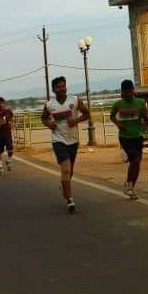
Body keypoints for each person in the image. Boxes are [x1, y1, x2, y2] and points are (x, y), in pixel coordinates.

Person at [41, 76, 90, 213]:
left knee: (70, 171)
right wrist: (49, 124)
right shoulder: (50, 104)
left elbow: (87, 114)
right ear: (54, 89)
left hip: (73, 141)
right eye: (58, 87)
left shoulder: (74, 100)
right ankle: (70, 200)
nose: (61, 88)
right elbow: (43, 118)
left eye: (63, 86)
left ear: (66, 87)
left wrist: (76, 121)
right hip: (58, 140)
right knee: (66, 169)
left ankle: (64, 187)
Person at [110, 80, 148, 200]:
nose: (128, 94)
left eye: (129, 91)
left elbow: (145, 117)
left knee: (137, 163)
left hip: (137, 136)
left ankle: (130, 187)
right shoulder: (118, 104)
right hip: (125, 137)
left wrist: (145, 118)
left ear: (133, 90)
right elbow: (111, 116)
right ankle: (129, 184)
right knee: (135, 159)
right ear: (122, 92)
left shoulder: (141, 102)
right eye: (125, 92)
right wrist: (118, 124)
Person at [0, 97, 14, 175]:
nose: (1, 105)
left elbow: (9, 118)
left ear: (5, 104)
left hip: (7, 133)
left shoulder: (8, 111)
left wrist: (11, 123)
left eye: (2, 103)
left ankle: (8, 160)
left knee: (10, 149)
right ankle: (0, 167)